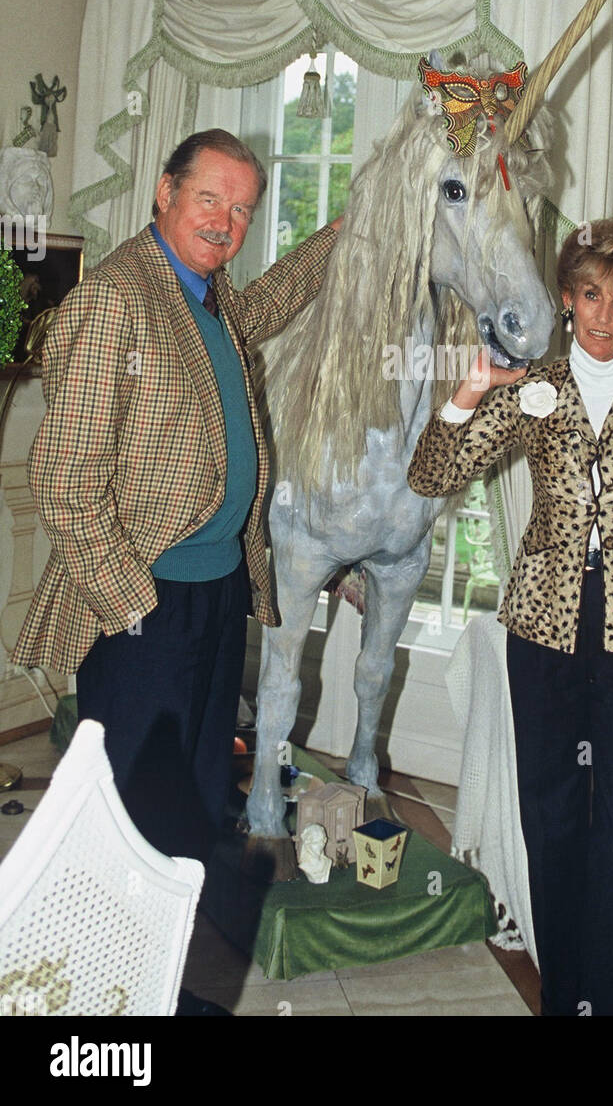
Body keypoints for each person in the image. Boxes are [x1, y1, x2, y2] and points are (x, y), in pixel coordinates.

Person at [13, 128, 340, 1013]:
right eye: (210, 200)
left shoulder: (206, 294)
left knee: (195, 799)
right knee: (125, 817)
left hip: (215, 590)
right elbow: (64, 482)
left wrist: (354, 228)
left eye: (242, 210)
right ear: (163, 191)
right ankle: (93, 992)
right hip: (146, 607)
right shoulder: (115, 300)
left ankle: (162, 979)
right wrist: (133, 605)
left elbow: (271, 301)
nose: (227, 222)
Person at [407, 216, 613, 1016]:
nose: (602, 317)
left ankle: (597, 1006)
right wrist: (470, 388)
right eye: (588, 296)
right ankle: (562, 1002)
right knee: (551, 821)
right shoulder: (533, 390)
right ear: (568, 299)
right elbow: (430, 475)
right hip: (541, 631)